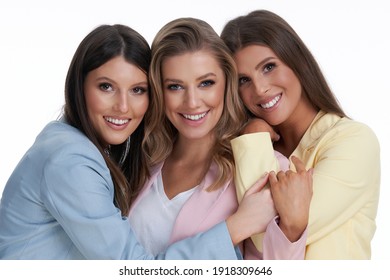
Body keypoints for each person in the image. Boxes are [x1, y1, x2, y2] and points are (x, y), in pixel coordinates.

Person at [0, 24, 278, 260]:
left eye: (136, 90)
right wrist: (236, 227)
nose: (123, 106)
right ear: (78, 86)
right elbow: (132, 268)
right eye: (106, 87)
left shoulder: (255, 164)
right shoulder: (72, 161)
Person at [128, 17, 312, 259]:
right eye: (175, 86)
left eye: (206, 83)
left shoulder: (264, 167)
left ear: (227, 84)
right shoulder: (141, 157)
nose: (192, 102)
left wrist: (292, 227)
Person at [221, 9, 381, 259]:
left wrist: (253, 136)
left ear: (298, 61)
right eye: (243, 80)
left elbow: (264, 235)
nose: (260, 89)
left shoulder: (353, 141)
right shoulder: (242, 149)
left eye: (269, 67)